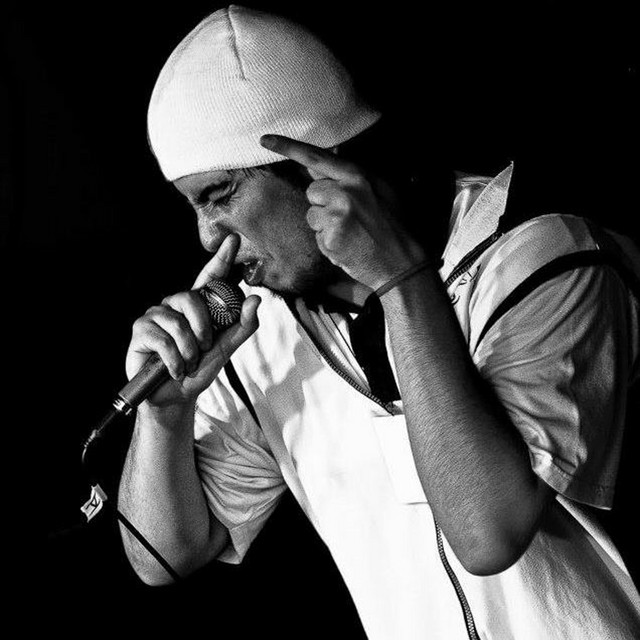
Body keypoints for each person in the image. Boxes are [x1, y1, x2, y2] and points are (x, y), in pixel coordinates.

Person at [117, 5, 640, 638]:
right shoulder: (264, 321)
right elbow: (161, 558)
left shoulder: (539, 254)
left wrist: (402, 281)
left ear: (319, 164)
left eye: (220, 195)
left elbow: (488, 535)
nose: (208, 238)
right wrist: (165, 415)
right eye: (194, 207)